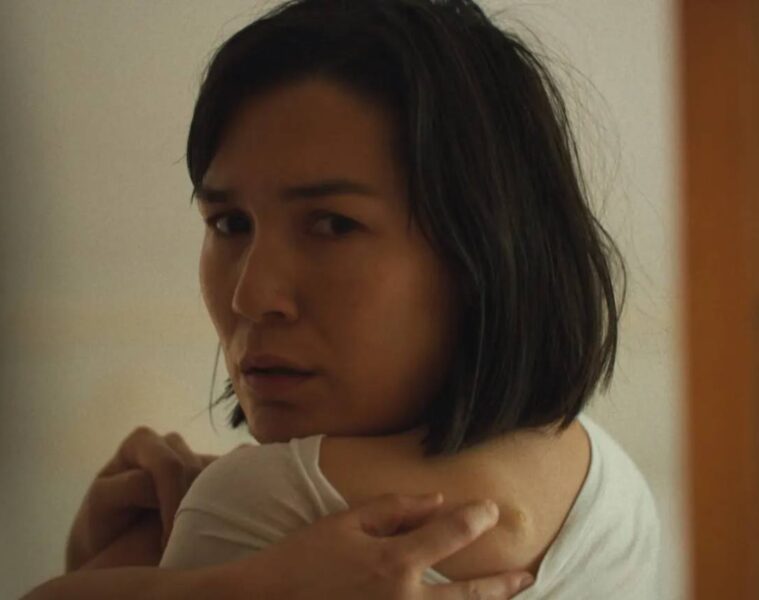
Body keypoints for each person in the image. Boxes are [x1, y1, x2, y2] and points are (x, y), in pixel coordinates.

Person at [25, 0, 660, 597]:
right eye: (230, 224)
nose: (251, 295)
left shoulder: (258, 504)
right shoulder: (615, 491)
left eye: (333, 225)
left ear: (484, 253)